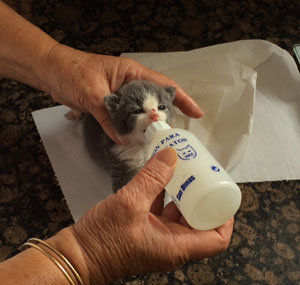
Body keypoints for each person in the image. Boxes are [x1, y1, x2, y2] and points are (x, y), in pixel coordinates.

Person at [0, 1, 234, 284]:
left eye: (160, 107)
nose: (153, 114)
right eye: (139, 111)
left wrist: (52, 59)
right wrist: (88, 253)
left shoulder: (173, 133)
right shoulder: (120, 145)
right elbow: (125, 193)